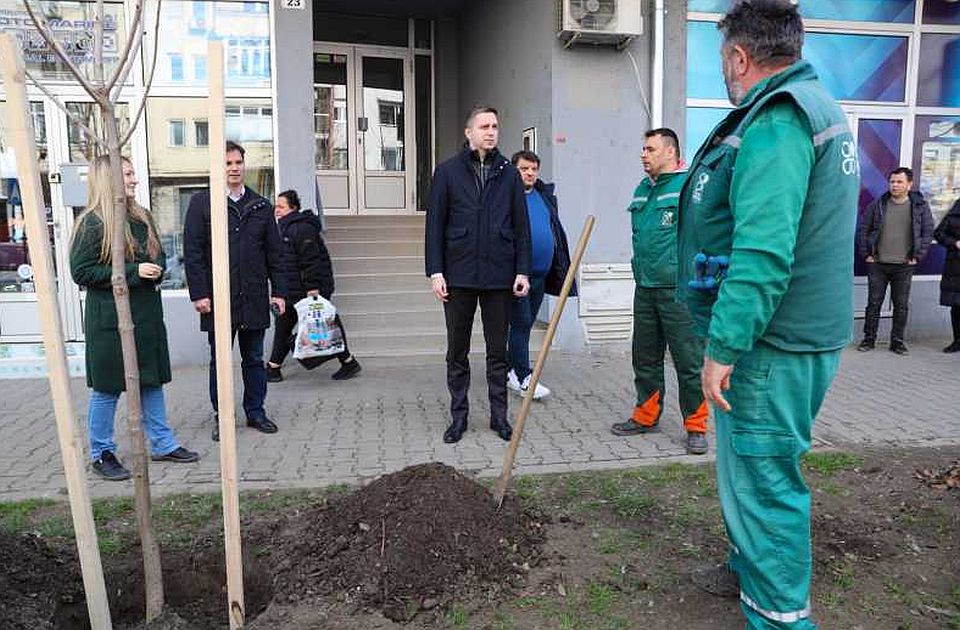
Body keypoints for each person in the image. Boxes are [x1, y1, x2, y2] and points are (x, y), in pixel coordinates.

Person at [676, 2, 860, 628]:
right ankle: (745, 568)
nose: (722, 70)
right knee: (748, 470)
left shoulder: (779, 121)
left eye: (722, 59)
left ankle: (781, 617)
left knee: (763, 479)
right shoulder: (815, 108)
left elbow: (762, 252)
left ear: (738, 56)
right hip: (790, 333)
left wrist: (723, 346)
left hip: (769, 343)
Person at [70, 156, 198, 481]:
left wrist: (155, 269)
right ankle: (101, 453)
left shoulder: (142, 216)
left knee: (151, 382)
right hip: (111, 320)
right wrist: (133, 271)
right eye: (127, 174)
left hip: (146, 315)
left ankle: (163, 443)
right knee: (107, 388)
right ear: (108, 178)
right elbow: (81, 271)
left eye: (132, 173)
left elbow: (159, 256)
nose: (134, 179)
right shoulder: (93, 223)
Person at [425, 106, 531, 444]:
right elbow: (434, 227)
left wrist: (522, 271)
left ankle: (499, 417)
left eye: (495, 126)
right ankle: (459, 417)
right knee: (457, 351)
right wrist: (436, 272)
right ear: (469, 132)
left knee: (497, 352)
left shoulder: (509, 174)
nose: (491, 132)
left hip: (499, 278)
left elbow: (521, 228)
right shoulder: (447, 172)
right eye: (484, 126)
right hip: (458, 277)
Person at [610, 128, 709, 456]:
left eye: (650, 149)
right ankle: (646, 415)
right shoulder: (643, 190)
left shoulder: (687, 188)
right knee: (645, 357)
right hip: (646, 288)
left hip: (678, 291)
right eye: (643, 149)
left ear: (670, 152)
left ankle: (696, 425)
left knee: (688, 360)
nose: (643, 155)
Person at [183, 141, 287, 442]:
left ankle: (255, 411)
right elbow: (193, 252)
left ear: (245, 165)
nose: (234, 168)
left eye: (238, 162)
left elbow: (275, 254)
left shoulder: (260, 206)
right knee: (220, 360)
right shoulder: (203, 204)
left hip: (253, 296)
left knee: (254, 358)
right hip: (219, 299)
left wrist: (278, 292)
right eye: (227, 163)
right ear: (218, 167)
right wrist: (199, 293)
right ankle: (223, 415)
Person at [266, 189, 361, 381]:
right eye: (276, 206)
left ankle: (273, 368)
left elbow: (310, 260)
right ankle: (348, 362)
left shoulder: (300, 228)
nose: (276, 209)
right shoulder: (286, 226)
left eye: (281, 206)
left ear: (293, 208)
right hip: (294, 288)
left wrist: (313, 289)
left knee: (322, 323)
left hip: (307, 289)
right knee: (293, 323)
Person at [506, 150, 575, 401]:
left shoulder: (543, 197)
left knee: (524, 323)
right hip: (517, 277)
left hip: (540, 275)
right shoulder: (507, 198)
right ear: (514, 170)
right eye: (524, 169)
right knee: (522, 324)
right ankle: (523, 377)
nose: (530, 173)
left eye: (534, 169)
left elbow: (554, 232)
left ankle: (509, 368)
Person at [856, 167, 935, 355]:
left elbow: (927, 232)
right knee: (874, 303)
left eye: (899, 182)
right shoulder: (878, 205)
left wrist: (917, 256)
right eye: (892, 181)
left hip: (904, 266)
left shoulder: (920, 207)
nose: (895, 185)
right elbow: (863, 229)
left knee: (901, 305)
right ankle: (869, 339)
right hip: (878, 264)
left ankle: (897, 341)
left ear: (909, 184)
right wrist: (867, 254)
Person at [933, 198, 960, 353]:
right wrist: (954, 243)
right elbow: (938, 233)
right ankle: (957, 341)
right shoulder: (955, 211)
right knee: (956, 307)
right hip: (955, 267)